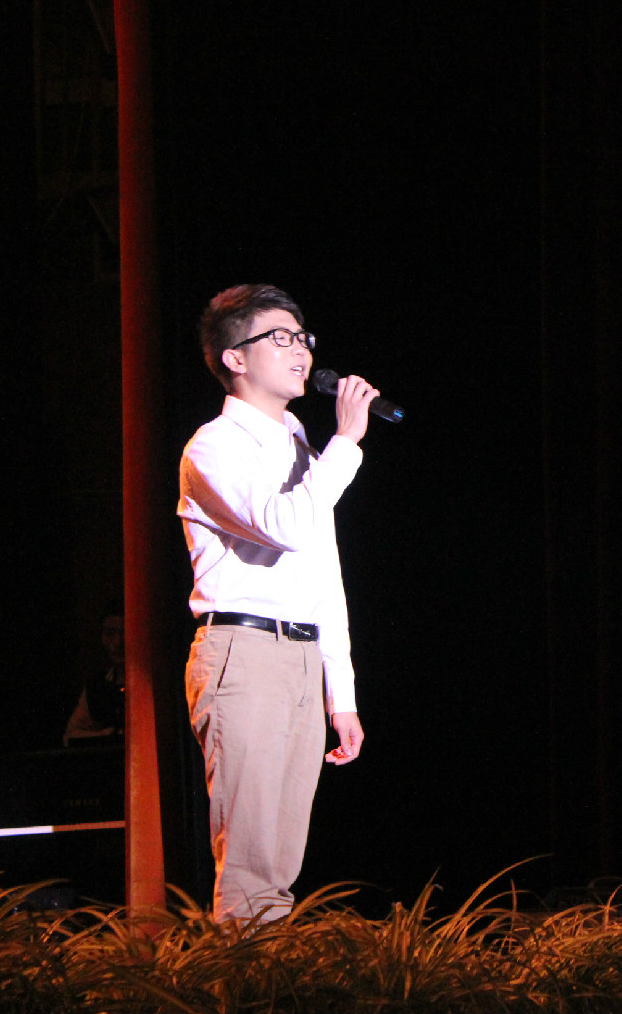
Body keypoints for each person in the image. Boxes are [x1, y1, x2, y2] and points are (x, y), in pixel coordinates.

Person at [177, 284, 376, 923]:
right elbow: (283, 527)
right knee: (252, 868)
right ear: (235, 358)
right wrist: (347, 442)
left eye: (303, 337)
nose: (301, 350)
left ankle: (272, 983)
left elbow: (324, 573)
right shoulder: (213, 447)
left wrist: (339, 692)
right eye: (281, 338)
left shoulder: (300, 449)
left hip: (297, 655)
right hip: (243, 650)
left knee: (279, 866)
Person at [63, 607, 127, 746]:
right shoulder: (97, 686)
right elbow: (70, 736)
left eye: (126, 633)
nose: (118, 643)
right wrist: (109, 735)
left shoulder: (157, 684)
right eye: (110, 634)